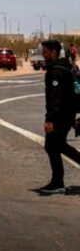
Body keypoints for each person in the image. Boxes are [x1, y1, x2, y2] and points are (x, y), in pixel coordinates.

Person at [37, 39, 80, 194]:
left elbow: (55, 98)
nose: (43, 54)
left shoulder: (56, 71)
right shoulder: (65, 67)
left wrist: (50, 119)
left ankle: (57, 183)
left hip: (60, 116)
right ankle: (57, 181)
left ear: (54, 52)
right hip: (67, 115)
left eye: (46, 51)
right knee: (60, 145)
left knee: (51, 146)